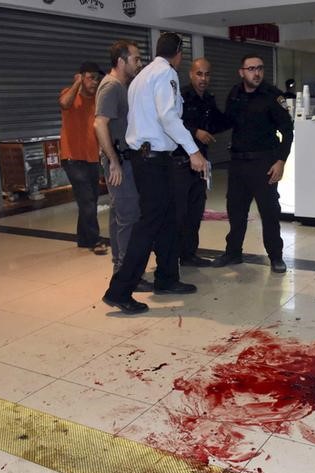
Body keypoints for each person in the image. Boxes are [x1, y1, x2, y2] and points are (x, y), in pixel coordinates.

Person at [102, 32, 207, 315]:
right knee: (149, 223)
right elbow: (168, 116)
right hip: (152, 160)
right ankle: (120, 290)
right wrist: (193, 151)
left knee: (168, 219)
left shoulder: (142, 76)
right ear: (179, 53)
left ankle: (167, 278)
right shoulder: (165, 74)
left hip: (150, 158)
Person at [211, 54, 293, 273]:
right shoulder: (235, 94)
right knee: (236, 211)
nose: (256, 73)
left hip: (264, 163)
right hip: (238, 164)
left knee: (269, 212)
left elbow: (287, 131)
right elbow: (227, 121)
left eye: (260, 68)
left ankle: (276, 256)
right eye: (251, 69)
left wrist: (281, 161)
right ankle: (233, 253)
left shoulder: (272, 96)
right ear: (241, 72)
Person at [94, 40, 153, 293]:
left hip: (123, 158)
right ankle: (127, 276)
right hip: (119, 160)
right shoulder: (112, 87)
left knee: (120, 217)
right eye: (136, 59)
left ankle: (120, 270)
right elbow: (99, 124)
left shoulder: (121, 86)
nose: (139, 64)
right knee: (128, 218)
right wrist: (114, 162)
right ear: (121, 61)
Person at [171, 57, 229, 267]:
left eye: (207, 74)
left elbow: (218, 122)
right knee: (179, 213)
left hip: (201, 163)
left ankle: (189, 255)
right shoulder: (181, 96)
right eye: (199, 74)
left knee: (195, 211)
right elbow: (171, 122)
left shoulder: (208, 99)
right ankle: (171, 258)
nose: (203, 78)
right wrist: (195, 132)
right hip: (180, 162)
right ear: (190, 74)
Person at [59, 61, 107, 255]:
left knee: (90, 199)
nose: (95, 82)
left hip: (92, 158)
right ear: (80, 77)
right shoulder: (69, 94)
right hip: (72, 157)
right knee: (87, 199)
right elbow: (64, 104)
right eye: (91, 78)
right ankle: (95, 240)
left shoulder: (97, 100)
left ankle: (83, 238)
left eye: (97, 78)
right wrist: (77, 84)